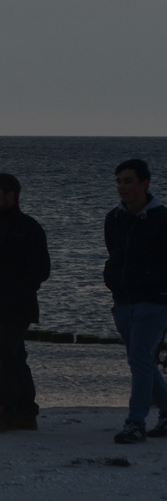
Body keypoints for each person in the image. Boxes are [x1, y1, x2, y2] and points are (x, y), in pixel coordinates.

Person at [0, 173, 51, 434]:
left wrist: (16, 289)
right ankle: (25, 413)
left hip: (15, 307)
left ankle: (2, 412)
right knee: (15, 359)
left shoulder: (27, 227)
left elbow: (41, 269)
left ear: (10, 195)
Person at [103, 158, 167, 444]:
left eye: (128, 181)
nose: (122, 187)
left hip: (154, 300)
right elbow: (114, 253)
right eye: (119, 181)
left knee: (140, 359)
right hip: (123, 300)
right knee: (141, 361)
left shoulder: (161, 218)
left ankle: (135, 423)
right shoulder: (114, 219)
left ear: (144, 183)